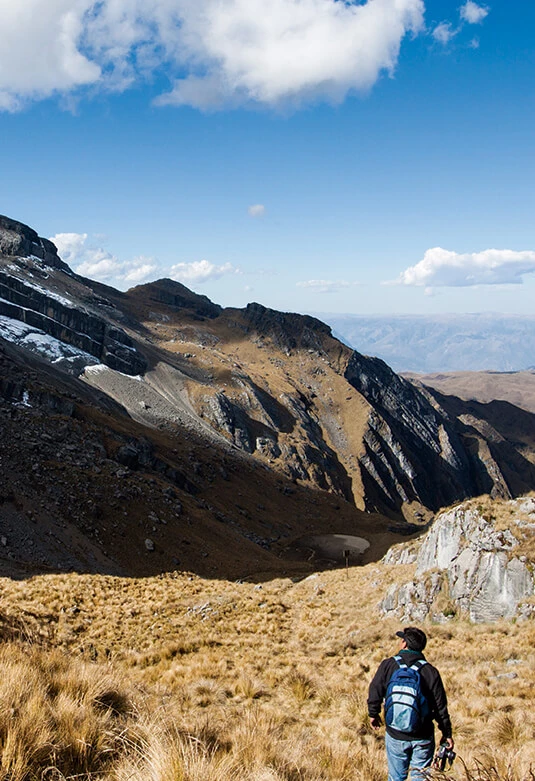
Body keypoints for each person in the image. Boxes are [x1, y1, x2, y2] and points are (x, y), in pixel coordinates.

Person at [367, 627, 454, 781]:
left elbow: (375, 690)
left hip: (395, 733)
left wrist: (373, 714)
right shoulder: (430, 671)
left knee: (395, 777)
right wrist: (446, 733)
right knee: (420, 777)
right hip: (423, 736)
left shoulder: (388, 665)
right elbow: (440, 707)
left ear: (404, 644)